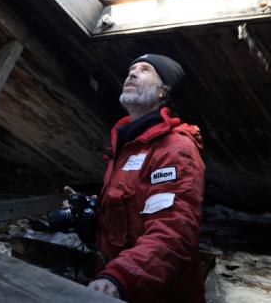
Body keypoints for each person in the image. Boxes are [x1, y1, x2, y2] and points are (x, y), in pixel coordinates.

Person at [85, 54, 206, 302]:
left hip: (154, 291)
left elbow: (174, 231)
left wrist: (120, 278)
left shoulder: (175, 148)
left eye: (145, 69)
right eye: (131, 69)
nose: (131, 73)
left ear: (164, 90)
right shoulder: (126, 145)